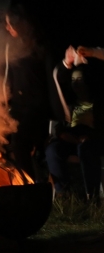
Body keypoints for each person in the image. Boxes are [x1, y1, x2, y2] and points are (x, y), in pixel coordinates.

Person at [1, 11, 52, 181]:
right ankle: (18, 181)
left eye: (10, 24)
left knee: (21, 144)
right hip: (17, 104)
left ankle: (29, 183)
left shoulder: (37, 45)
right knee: (6, 142)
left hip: (34, 105)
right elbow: (9, 76)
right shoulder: (11, 46)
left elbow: (43, 77)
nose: (7, 28)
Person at [47, 56, 102, 200]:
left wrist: (89, 137)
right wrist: (63, 135)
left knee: (85, 148)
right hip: (72, 138)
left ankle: (92, 196)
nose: (76, 84)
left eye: (79, 79)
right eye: (73, 80)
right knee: (53, 150)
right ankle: (63, 194)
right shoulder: (70, 105)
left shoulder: (98, 105)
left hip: (92, 140)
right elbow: (59, 126)